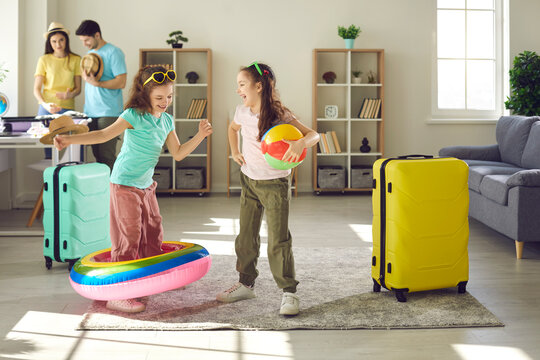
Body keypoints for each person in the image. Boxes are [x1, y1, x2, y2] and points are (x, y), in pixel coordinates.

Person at [54, 66, 213, 313]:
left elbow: (179, 154)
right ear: (145, 94)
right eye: (159, 97)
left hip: (146, 185)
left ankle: (152, 279)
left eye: (169, 97)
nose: (165, 102)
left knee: (153, 231)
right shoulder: (133, 115)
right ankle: (118, 293)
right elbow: (102, 135)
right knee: (128, 236)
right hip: (124, 183)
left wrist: (200, 136)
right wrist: (69, 139)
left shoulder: (167, 120)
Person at [217, 62, 319, 316]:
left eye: (242, 84)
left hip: (275, 184)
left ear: (259, 86)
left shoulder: (280, 114)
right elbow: (232, 129)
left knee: (278, 240)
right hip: (249, 180)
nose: (238, 90)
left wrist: (300, 144)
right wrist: (235, 151)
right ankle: (245, 284)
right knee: (246, 236)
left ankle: (289, 292)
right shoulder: (242, 112)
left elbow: (314, 135)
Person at [75, 19, 127, 171]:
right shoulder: (90, 54)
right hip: (90, 112)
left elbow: (121, 82)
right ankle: (104, 193)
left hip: (108, 112)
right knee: (97, 157)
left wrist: (97, 83)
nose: (84, 44)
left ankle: (116, 193)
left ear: (97, 35)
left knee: (107, 156)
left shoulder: (114, 52)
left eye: (86, 40)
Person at [33, 22, 81, 159]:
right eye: (54, 41)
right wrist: (45, 105)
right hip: (47, 109)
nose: (58, 44)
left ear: (66, 40)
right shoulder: (44, 60)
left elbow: (78, 89)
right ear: (49, 42)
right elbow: (36, 89)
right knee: (49, 150)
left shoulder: (76, 59)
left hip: (68, 108)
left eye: (61, 40)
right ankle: (50, 177)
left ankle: (70, 177)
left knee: (72, 151)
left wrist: (70, 94)